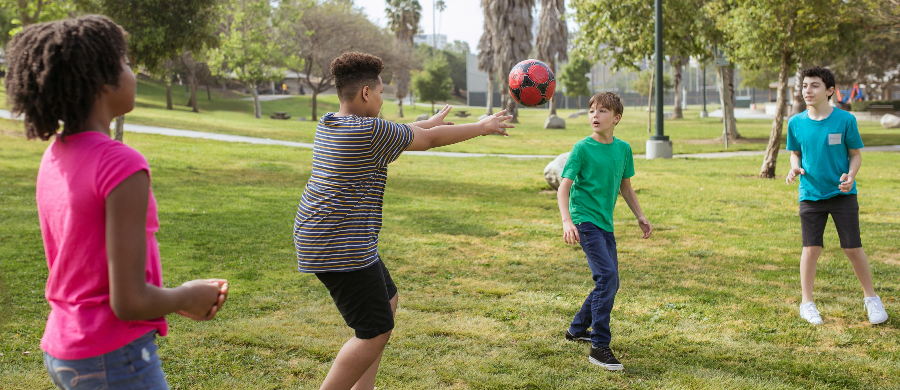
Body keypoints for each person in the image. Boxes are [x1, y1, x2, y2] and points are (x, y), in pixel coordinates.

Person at [5, 16, 228, 389]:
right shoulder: (120, 163)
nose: (133, 71)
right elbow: (128, 301)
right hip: (113, 356)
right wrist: (188, 295)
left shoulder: (55, 154)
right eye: (125, 62)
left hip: (65, 347)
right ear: (101, 80)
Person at [293, 52, 513, 390]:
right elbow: (426, 141)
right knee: (374, 332)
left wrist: (431, 122)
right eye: (381, 93)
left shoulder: (331, 121)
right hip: (339, 244)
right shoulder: (368, 132)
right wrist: (482, 127)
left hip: (332, 236)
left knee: (388, 300)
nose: (382, 101)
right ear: (366, 93)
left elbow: (406, 130)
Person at [785, 66, 888, 326]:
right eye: (805, 85)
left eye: (815, 85)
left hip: (842, 194)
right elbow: (795, 152)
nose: (808, 90)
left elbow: (855, 154)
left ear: (830, 91)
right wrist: (794, 166)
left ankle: (872, 299)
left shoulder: (845, 120)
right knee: (811, 249)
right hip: (810, 194)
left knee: (853, 248)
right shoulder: (795, 122)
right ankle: (806, 303)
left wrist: (851, 176)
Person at [557, 92, 652, 371]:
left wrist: (641, 216)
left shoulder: (623, 149)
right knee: (607, 276)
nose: (594, 116)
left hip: (605, 223)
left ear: (616, 118)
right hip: (584, 221)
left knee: (610, 281)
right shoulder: (582, 148)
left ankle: (576, 329)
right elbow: (564, 187)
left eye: (602, 111)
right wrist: (567, 222)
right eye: (591, 111)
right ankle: (599, 346)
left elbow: (626, 187)